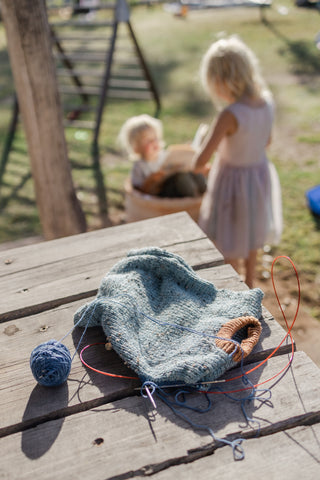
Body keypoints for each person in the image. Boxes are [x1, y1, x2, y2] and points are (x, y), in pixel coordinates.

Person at [192, 36, 282, 288]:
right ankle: (250, 282)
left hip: (231, 185)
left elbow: (199, 162)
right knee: (252, 231)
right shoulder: (267, 101)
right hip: (258, 176)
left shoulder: (229, 115)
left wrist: (203, 157)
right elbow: (267, 142)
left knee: (230, 237)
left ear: (220, 81)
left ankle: (234, 287)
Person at [118, 114, 207, 197]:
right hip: (161, 193)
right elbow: (138, 192)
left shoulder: (164, 156)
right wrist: (152, 180)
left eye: (155, 138)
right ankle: (194, 197)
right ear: (136, 148)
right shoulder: (139, 166)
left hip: (176, 186)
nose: (154, 143)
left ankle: (203, 191)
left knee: (194, 173)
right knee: (181, 178)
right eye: (148, 141)